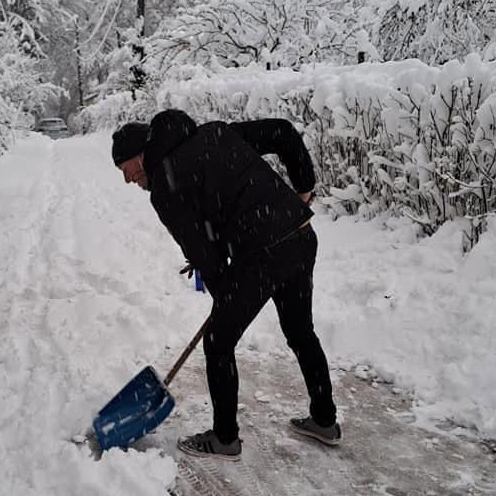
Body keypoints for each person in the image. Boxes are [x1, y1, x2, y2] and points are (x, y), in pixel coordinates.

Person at [111, 109, 340, 460]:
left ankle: (224, 439)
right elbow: (281, 132)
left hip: (262, 254)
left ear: (141, 154)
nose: (127, 180)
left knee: (218, 342)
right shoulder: (216, 133)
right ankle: (325, 420)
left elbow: (207, 255)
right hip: (299, 236)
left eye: (125, 168)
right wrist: (304, 186)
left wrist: (225, 300)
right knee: (300, 330)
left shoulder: (165, 185)